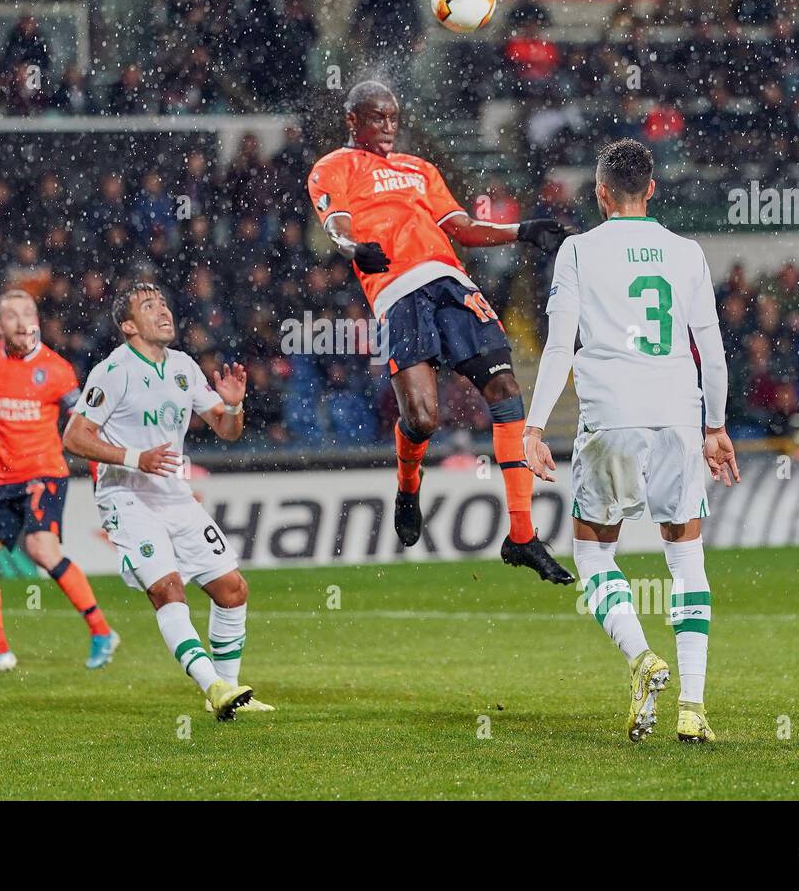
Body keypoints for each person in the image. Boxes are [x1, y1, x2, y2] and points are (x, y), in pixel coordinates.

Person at [306, 80, 574, 583]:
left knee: (505, 388)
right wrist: (352, 249)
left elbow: (461, 226)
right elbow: (336, 222)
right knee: (424, 419)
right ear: (353, 121)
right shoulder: (332, 167)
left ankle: (522, 536)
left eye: (393, 117)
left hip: (450, 281)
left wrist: (520, 231)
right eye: (376, 118)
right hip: (398, 292)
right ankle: (408, 487)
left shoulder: (419, 169)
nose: (388, 126)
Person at [523, 139, 740, 743]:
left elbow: (561, 347)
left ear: (599, 194)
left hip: (611, 416)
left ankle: (642, 658)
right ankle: (693, 709)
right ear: (652, 190)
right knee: (686, 556)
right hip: (677, 413)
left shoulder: (577, 251)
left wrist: (534, 426)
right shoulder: (687, 252)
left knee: (594, 554)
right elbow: (711, 352)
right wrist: (716, 427)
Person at [62, 282, 271, 721]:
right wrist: (136, 458)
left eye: (163, 303)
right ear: (127, 326)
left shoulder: (183, 366)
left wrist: (232, 408)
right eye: (148, 306)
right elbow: (75, 437)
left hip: (173, 494)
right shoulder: (113, 371)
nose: (163, 311)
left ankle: (230, 693)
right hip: (126, 496)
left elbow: (227, 431)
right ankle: (210, 684)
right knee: (168, 588)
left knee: (233, 590)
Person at [0, 289, 118, 675]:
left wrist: (97, 474)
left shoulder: (57, 370)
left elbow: (82, 428)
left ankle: (101, 631)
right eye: (12, 315)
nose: (22, 320)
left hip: (45, 473)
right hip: (3, 478)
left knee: (42, 549)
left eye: (29, 313)